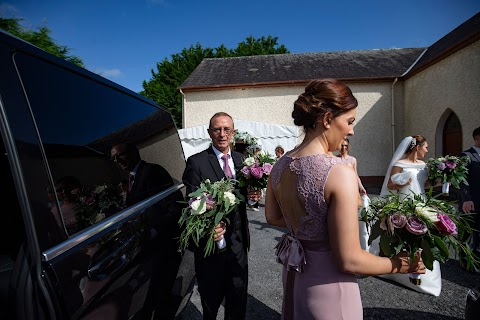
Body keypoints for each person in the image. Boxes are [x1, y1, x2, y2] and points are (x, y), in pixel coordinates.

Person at [264, 78, 425, 320]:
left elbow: (273, 217)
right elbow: (349, 260)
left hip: (297, 276)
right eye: (349, 121)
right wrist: (400, 264)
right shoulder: (339, 172)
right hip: (330, 286)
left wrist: (310, 230)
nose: (352, 130)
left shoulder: (280, 165)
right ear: (327, 119)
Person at [182, 112, 260, 320]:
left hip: (238, 243)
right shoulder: (196, 162)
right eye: (217, 129)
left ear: (233, 133)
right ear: (209, 133)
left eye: (227, 129)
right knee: (211, 301)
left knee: (238, 299)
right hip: (210, 247)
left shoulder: (242, 160)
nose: (222, 134)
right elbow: (191, 204)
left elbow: (245, 198)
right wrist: (209, 227)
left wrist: (253, 197)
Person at [110, 142, 181, 319]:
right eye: (113, 159)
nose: (118, 161)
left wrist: (156, 231)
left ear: (134, 152)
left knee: (160, 287)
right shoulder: (130, 178)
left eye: (121, 155)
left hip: (161, 240)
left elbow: (172, 205)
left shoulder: (153, 171)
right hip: (146, 241)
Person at [369, 135, 442, 296]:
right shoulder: (399, 164)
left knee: (424, 237)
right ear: (417, 147)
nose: (427, 150)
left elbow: (426, 184)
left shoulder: (424, 165)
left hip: (421, 204)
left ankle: (423, 276)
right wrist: (401, 182)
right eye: (426, 147)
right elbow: (390, 185)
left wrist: (441, 180)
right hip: (404, 204)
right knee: (405, 237)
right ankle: (399, 269)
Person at [458, 126, 480, 271]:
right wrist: (466, 199)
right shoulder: (466, 155)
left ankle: (477, 259)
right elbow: (461, 180)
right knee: (468, 232)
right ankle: (466, 262)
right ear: (477, 138)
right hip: (471, 201)